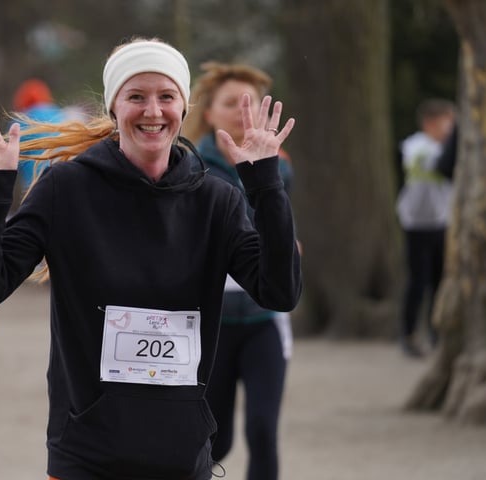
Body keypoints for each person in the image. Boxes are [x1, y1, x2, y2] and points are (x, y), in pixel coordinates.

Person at [0, 37, 302, 480]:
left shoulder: (217, 201)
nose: (153, 111)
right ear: (114, 108)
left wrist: (266, 185)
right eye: (136, 97)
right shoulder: (65, 190)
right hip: (88, 453)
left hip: (180, 454)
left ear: (185, 107)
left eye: (166, 97)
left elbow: (280, 291)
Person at [182, 61, 294, 480]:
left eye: (251, 103)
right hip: (213, 322)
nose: (242, 112)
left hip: (265, 320)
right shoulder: (189, 168)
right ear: (208, 112)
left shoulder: (280, 168)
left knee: (263, 431)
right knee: (217, 438)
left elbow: (284, 231)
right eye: (231, 103)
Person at [395, 98, 455, 358]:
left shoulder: (445, 147)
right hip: (417, 226)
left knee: (440, 281)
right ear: (430, 122)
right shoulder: (416, 146)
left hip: (443, 222)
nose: (450, 129)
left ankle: (436, 332)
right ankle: (409, 334)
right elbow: (438, 164)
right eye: (447, 122)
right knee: (418, 282)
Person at [11, 78, 65, 194]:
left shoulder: (20, 120)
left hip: (34, 185)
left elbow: (11, 156)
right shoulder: (59, 114)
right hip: (63, 179)